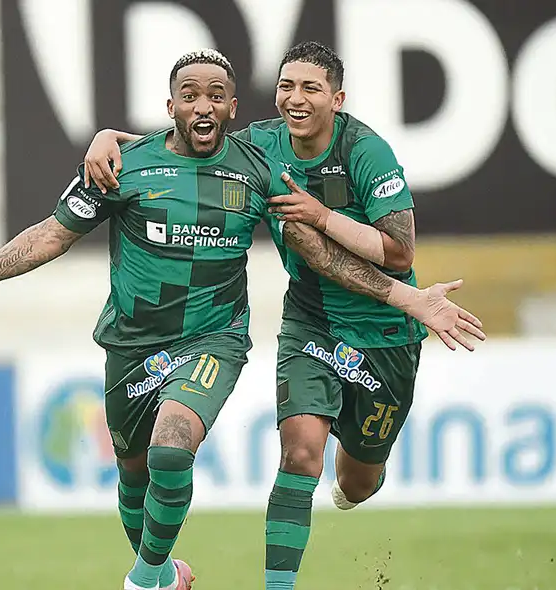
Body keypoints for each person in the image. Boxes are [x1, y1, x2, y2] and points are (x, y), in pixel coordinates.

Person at [0, 49, 483, 590]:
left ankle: (146, 580)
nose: (203, 105)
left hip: (213, 339)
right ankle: (166, 572)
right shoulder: (122, 165)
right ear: (169, 106)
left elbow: (320, 252)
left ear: (231, 107)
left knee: (179, 447)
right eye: (189, 96)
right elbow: (50, 236)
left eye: (216, 96)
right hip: (131, 343)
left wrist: (409, 299)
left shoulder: (259, 169)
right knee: (133, 472)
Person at [82, 41, 482, 590]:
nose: (294, 99)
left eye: (310, 88)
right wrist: (110, 138)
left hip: (384, 327)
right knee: (299, 453)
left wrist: (324, 215)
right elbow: (184, 141)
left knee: (359, 481)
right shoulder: (261, 145)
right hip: (310, 321)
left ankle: (360, 474)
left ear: (336, 99)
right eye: (286, 86)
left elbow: (400, 252)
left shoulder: (367, 152)